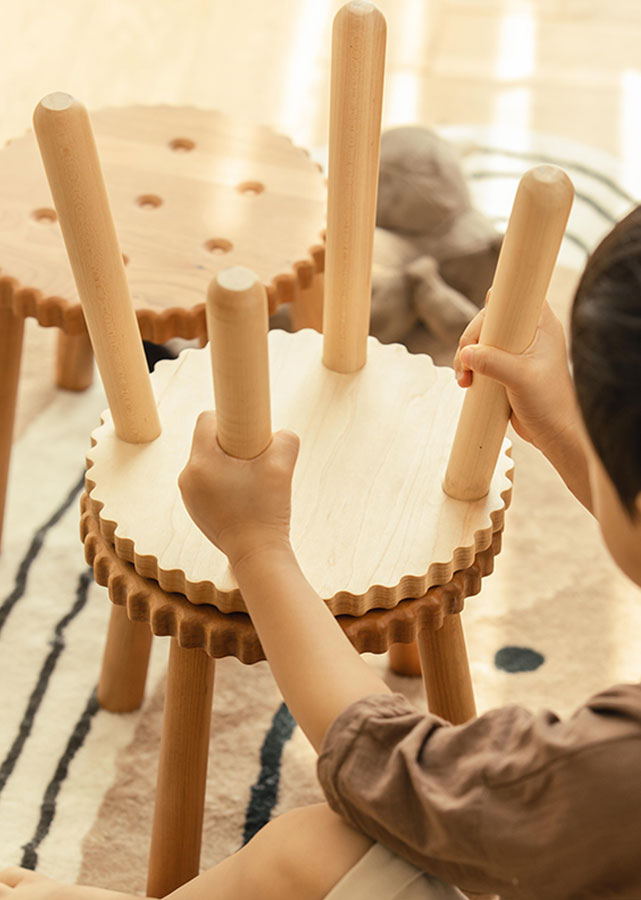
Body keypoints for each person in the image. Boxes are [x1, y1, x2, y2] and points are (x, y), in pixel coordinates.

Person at [2, 208, 641, 900]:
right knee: (315, 849)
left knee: (307, 856)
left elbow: (403, 775)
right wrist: (574, 428)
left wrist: (257, 547)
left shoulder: (612, 774)